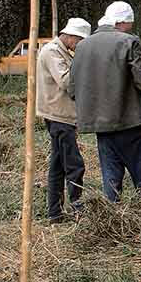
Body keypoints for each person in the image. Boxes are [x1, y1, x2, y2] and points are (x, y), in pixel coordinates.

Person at [69, 1, 141, 202]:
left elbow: (72, 89)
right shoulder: (129, 41)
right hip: (130, 122)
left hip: (101, 127)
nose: (131, 28)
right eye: (130, 24)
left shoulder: (82, 46)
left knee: (111, 181)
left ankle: (110, 223)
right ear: (122, 22)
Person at [36, 18, 91, 223]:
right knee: (74, 164)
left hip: (62, 115)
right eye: (79, 41)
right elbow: (67, 82)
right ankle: (78, 208)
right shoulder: (52, 52)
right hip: (57, 115)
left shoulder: (62, 51)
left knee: (58, 165)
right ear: (70, 36)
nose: (80, 45)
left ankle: (55, 213)